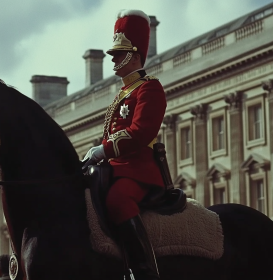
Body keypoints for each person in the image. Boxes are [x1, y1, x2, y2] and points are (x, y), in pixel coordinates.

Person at [82, 9, 165, 280]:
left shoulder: (149, 88)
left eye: (120, 53)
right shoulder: (123, 92)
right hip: (115, 168)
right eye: (114, 53)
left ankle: (142, 271)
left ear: (136, 54)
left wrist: (103, 150)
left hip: (139, 172)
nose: (114, 59)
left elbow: (141, 132)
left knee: (118, 199)